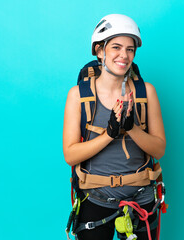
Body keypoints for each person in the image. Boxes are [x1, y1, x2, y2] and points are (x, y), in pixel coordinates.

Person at [63, 14, 166, 240]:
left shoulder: (146, 93)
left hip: (141, 200)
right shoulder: (78, 95)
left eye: (130, 49)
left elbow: (159, 149)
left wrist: (131, 128)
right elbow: (70, 155)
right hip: (96, 200)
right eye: (116, 47)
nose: (124, 55)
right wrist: (110, 133)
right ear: (100, 51)